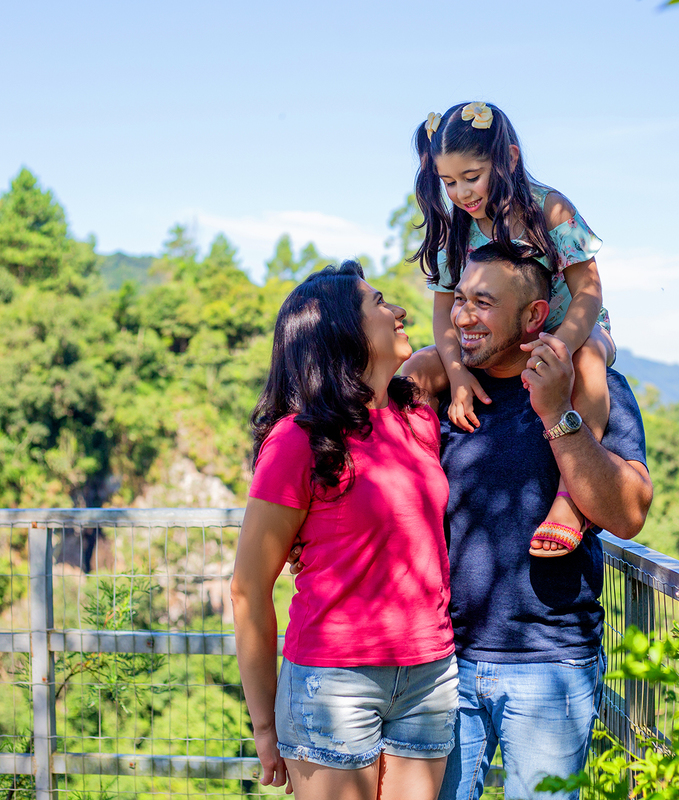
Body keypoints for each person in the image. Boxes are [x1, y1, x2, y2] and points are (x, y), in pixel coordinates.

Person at [403, 242, 652, 800]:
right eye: (460, 299)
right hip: (440, 662)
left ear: (534, 317)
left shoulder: (592, 389)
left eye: (484, 302)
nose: (464, 315)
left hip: (552, 664)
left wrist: (557, 415)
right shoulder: (446, 389)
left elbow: (629, 514)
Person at [230, 262, 458, 800]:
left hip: (428, 676)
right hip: (334, 681)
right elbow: (247, 588)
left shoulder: (415, 417)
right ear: (340, 332)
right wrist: (264, 725)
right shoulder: (296, 442)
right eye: (380, 303)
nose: (399, 311)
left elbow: (454, 354)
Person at [411, 101, 614, 558]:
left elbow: (589, 291)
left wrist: (558, 348)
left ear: (509, 160)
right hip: (492, 340)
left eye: (472, 176)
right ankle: (406, 488)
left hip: (570, 328)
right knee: (420, 366)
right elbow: (445, 315)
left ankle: (568, 500)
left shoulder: (551, 210)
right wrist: (458, 375)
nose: (462, 193)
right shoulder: (455, 233)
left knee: (588, 360)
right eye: (448, 183)